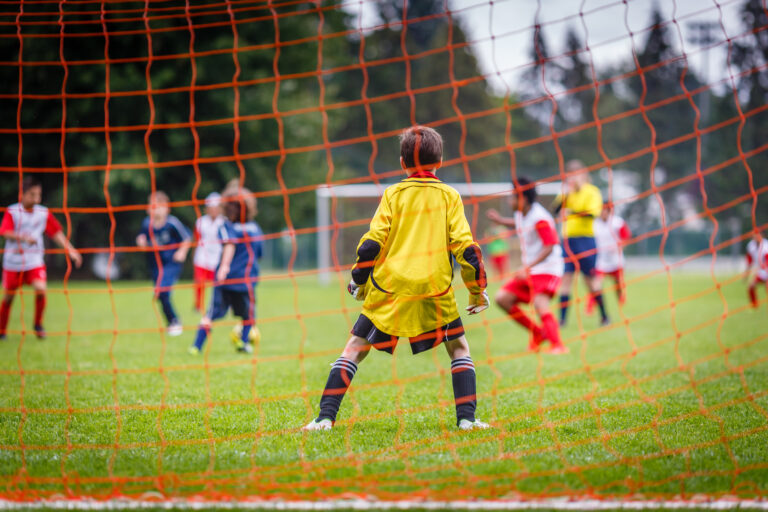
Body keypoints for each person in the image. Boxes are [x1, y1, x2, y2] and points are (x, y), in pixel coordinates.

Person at [302, 126, 490, 432]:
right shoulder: (450, 196)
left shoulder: (392, 194)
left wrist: (360, 283)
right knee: (459, 349)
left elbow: (371, 245)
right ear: (439, 161)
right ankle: (467, 420)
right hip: (433, 288)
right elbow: (467, 249)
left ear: (402, 163)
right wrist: (476, 291)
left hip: (389, 287)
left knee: (354, 348)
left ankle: (325, 418)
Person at [487, 177, 567, 354]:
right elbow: (519, 224)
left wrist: (527, 267)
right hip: (531, 269)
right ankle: (538, 333)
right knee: (502, 298)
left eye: (512, 197)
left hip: (548, 269)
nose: (509, 201)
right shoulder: (521, 214)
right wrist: (501, 221)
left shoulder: (540, 218)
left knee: (540, 303)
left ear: (522, 199)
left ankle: (558, 346)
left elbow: (550, 244)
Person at [0, 176, 82, 340]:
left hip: (34, 262)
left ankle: (38, 325)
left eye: (39, 194)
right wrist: (23, 237)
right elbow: (4, 232)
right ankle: (2, 330)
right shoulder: (13, 211)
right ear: (22, 194)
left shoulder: (42, 213)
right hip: (13, 263)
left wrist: (71, 250)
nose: (36, 198)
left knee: (41, 289)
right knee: (9, 297)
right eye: (32, 194)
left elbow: (56, 233)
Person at [190, 187, 263, 355]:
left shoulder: (226, 226)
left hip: (225, 278)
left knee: (211, 314)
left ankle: (196, 346)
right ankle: (243, 343)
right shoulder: (256, 229)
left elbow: (229, 244)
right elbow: (258, 253)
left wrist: (224, 266)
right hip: (246, 279)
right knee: (248, 315)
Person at [552, 160, 607, 326]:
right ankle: (562, 320)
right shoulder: (566, 192)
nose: (573, 177)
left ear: (584, 174)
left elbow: (593, 214)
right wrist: (566, 195)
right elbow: (554, 210)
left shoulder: (592, 191)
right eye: (570, 174)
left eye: (576, 174)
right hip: (568, 241)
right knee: (566, 279)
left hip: (586, 240)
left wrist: (572, 212)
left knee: (590, 281)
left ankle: (604, 316)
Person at [136, 191, 191, 337]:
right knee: (160, 295)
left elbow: (186, 238)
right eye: (153, 206)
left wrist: (182, 252)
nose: (156, 209)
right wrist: (141, 241)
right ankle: (172, 321)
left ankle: (174, 322)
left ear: (167, 208)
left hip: (171, 263)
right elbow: (142, 237)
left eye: (160, 206)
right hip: (155, 264)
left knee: (162, 291)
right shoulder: (147, 223)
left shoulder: (172, 223)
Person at [587, 201, 631, 313]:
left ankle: (621, 300)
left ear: (609, 211)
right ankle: (590, 307)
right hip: (601, 260)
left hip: (616, 260)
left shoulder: (618, 223)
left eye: (604, 210)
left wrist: (618, 248)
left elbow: (626, 237)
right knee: (596, 283)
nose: (602, 212)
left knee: (618, 284)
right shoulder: (594, 224)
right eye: (600, 210)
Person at [193, 192, 225, 312]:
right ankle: (198, 306)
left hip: (217, 257)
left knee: (218, 283)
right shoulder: (201, 222)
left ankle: (218, 304)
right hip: (202, 256)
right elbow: (196, 239)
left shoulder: (224, 222)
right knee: (200, 282)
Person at [745, 229, 768, 309]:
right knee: (751, 286)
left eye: (757, 234)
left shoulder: (766, 246)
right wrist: (746, 273)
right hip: (761, 272)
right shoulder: (751, 245)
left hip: (766, 270)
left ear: (762, 235)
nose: (755, 236)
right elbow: (749, 261)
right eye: (754, 234)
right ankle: (754, 305)